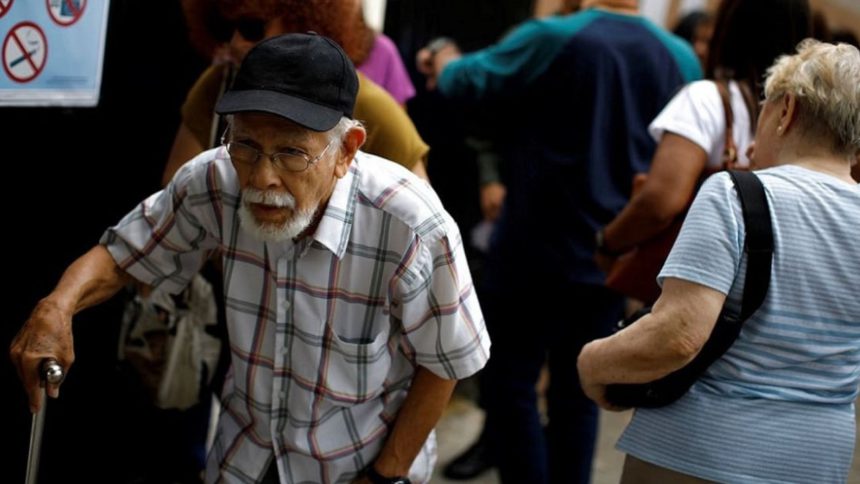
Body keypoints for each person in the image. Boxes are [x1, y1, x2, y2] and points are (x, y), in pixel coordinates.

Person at [10, 33, 490, 484]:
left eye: (290, 154)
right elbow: (123, 254)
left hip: (357, 463)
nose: (262, 178)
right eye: (246, 146)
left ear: (346, 150)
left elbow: (447, 359)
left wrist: (385, 475)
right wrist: (58, 306)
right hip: (243, 457)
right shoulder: (215, 180)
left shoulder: (410, 223)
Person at [417, 1, 700, 482]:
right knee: (581, 392)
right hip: (612, 257)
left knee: (509, 384)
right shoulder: (680, 58)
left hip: (532, 248)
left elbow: (463, 80)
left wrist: (442, 54)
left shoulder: (552, 37)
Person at [578, 39, 860, 483]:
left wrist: (594, 363)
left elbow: (678, 335)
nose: (750, 147)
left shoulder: (736, 194)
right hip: (818, 458)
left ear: (786, 112)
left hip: (700, 454)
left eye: (764, 107)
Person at [595, 0, 811, 282]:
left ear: (730, 27)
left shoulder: (707, 100)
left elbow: (660, 202)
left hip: (695, 279)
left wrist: (607, 242)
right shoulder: (804, 118)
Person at [165, 0, 429, 186]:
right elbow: (176, 192)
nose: (235, 43)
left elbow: (417, 220)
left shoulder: (370, 106)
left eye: (252, 28)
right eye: (225, 29)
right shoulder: (218, 85)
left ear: (302, 23)